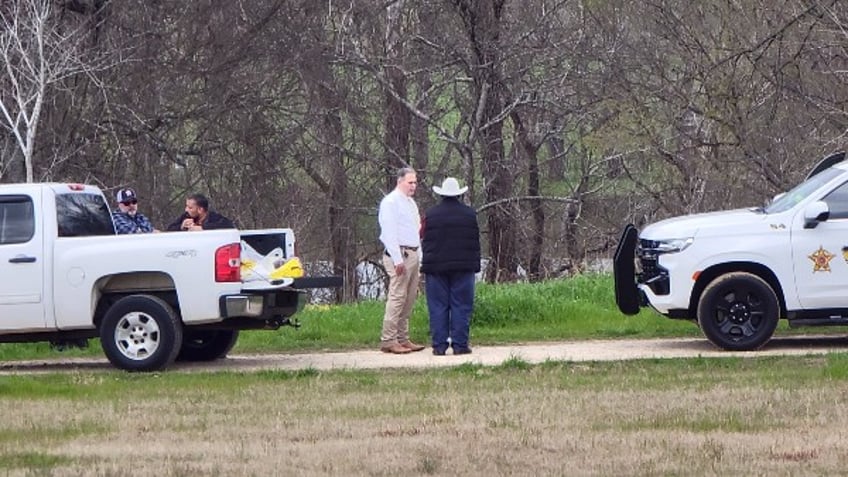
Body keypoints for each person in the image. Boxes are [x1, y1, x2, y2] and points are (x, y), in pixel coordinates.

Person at [420, 177, 481, 355]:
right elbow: (475, 241)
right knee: (461, 305)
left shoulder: (431, 214)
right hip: (463, 266)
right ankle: (460, 344)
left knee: (438, 305)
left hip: (436, 267)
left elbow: (423, 235)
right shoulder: (470, 214)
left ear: (442, 194)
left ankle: (439, 345)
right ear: (459, 195)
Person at [378, 167, 426, 354]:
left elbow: (416, 232)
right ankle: (388, 339)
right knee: (397, 297)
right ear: (400, 182)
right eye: (410, 182)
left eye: (415, 182)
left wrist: (419, 258)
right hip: (399, 254)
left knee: (409, 298)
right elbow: (389, 233)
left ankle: (403, 338)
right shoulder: (390, 202)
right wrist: (397, 259)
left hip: (413, 253)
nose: (413, 186)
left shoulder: (410, 203)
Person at [166, 193, 235, 231]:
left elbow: (228, 225)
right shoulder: (186, 216)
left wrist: (202, 228)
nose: (186, 210)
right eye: (186, 206)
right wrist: (181, 227)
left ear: (200, 210)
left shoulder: (213, 217)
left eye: (190, 208)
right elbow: (169, 230)